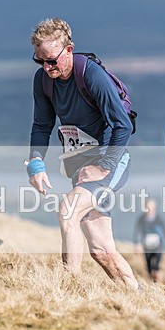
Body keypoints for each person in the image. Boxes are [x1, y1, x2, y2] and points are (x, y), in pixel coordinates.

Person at [25, 17, 139, 290]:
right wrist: (36, 164)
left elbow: (123, 124)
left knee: (67, 212)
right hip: (80, 165)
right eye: (40, 60)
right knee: (101, 250)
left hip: (110, 163)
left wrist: (104, 166)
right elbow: (42, 125)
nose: (47, 67)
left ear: (69, 49)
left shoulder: (91, 75)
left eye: (52, 60)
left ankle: (68, 290)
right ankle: (138, 296)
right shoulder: (43, 80)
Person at [133, 198, 165, 283]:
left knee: (156, 267)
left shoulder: (158, 219)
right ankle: (152, 284)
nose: (149, 209)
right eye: (147, 207)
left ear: (154, 208)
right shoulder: (141, 219)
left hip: (158, 247)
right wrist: (137, 244)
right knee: (149, 269)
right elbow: (137, 231)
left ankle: (158, 285)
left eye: (151, 207)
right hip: (147, 247)